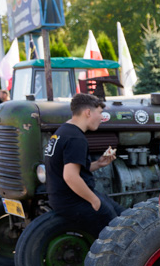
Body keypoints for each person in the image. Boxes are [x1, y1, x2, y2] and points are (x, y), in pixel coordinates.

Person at [43, 93, 123, 235]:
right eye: (100, 113)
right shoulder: (76, 138)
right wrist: (94, 201)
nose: (101, 117)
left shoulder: (63, 131)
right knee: (116, 231)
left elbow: (70, 168)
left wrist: (98, 164)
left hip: (63, 197)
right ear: (88, 112)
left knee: (122, 214)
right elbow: (70, 177)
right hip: (73, 200)